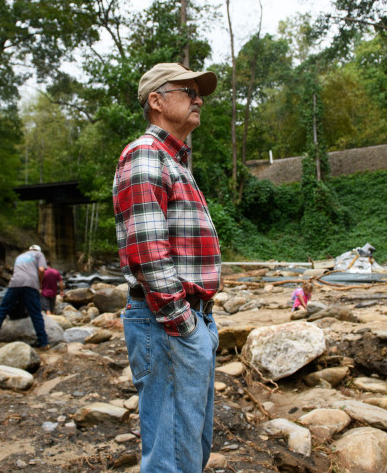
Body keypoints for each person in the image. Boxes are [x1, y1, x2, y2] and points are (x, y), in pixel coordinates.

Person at [113, 62, 221, 473]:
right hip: (169, 324)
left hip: (186, 323)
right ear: (156, 101)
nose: (198, 99)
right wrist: (184, 325)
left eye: (200, 93)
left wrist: (197, 326)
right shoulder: (145, 154)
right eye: (188, 91)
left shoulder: (174, 161)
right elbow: (148, 251)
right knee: (173, 460)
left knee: (188, 450)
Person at [0, 244, 49, 348]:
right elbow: (41, 270)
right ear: (38, 250)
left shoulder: (20, 256)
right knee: (36, 313)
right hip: (30, 284)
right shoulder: (39, 254)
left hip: (15, 283)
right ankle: (43, 342)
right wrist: (40, 283)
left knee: (2, 309)